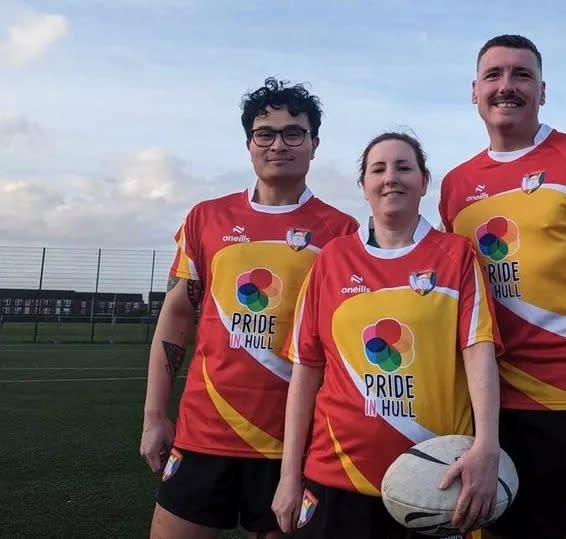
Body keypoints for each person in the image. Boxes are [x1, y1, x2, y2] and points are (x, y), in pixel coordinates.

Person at [438, 35, 566, 539]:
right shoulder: (455, 185)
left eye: (521, 75)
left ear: (542, 90)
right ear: (474, 91)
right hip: (489, 413)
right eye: (493, 75)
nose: (506, 86)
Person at [139, 77, 358, 539]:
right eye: (266, 133)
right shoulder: (206, 217)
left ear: (314, 144)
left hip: (293, 444)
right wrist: (155, 416)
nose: (279, 144)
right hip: (203, 434)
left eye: (293, 133)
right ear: (249, 144)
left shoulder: (342, 231)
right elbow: (178, 315)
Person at [272, 132, 503, 539]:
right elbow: (305, 372)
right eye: (378, 169)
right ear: (363, 186)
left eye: (403, 167)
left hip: (437, 480)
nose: (390, 178)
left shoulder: (457, 255)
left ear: (424, 181)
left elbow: (478, 353)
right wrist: (289, 476)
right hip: (335, 477)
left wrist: (486, 446)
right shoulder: (332, 260)